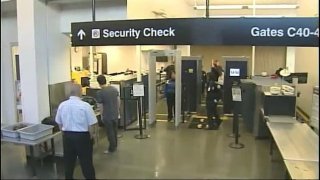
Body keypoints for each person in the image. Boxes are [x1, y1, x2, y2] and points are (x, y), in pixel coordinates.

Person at [55, 83, 97, 179]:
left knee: (68, 162)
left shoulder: (62, 105)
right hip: (83, 137)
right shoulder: (85, 106)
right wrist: (91, 136)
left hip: (68, 137)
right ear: (80, 92)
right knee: (86, 162)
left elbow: (59, 122)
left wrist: (64, 132)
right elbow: (92, 124)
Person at [96, 75, 120, 154]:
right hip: (115, 113)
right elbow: (118, 101)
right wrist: (118, 110)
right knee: (114, 131)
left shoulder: (100, 93)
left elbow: (100, 106)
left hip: (107, 115)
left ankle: (111, 149)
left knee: (110, 132)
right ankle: (115, 145)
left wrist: (102, 115)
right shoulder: (114, 89)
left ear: (98, 83)